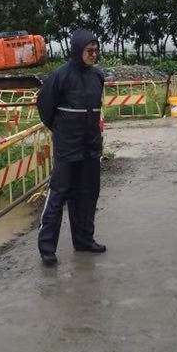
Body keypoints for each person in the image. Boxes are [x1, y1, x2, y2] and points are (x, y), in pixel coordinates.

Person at [36, 30, 106, 266]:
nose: (93, 54)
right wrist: (62, 131)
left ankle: (84, 239)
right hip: (67, 148)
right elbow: (45, 107)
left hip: (90, 147)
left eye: (96, 50)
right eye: (89, 51)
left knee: (88, 194)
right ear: (77, 50)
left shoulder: (97, 76)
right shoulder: (60, 76)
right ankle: (47, 249)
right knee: (58, 195)